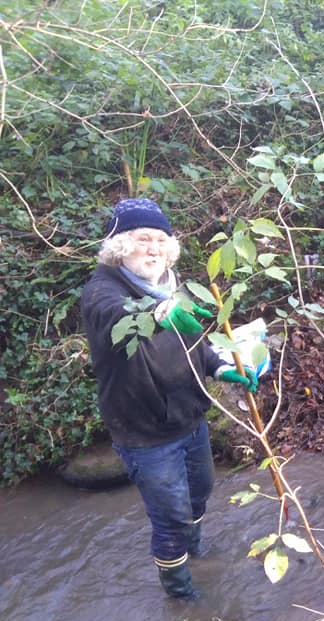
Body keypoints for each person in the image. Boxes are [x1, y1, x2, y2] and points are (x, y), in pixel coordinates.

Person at [81, 198, 258, 599]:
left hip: (189, 417)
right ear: (120, 245)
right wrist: (159, 311)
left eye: (161, 240)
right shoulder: (100, 292)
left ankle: (194, 556)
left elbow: (195, 343)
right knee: (171, 519)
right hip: (145, 433)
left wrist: (221, 368)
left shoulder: (172, 283)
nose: (154, 248)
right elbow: (117, 315)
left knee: (200, 493)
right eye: (144, 239)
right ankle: (183, 599)